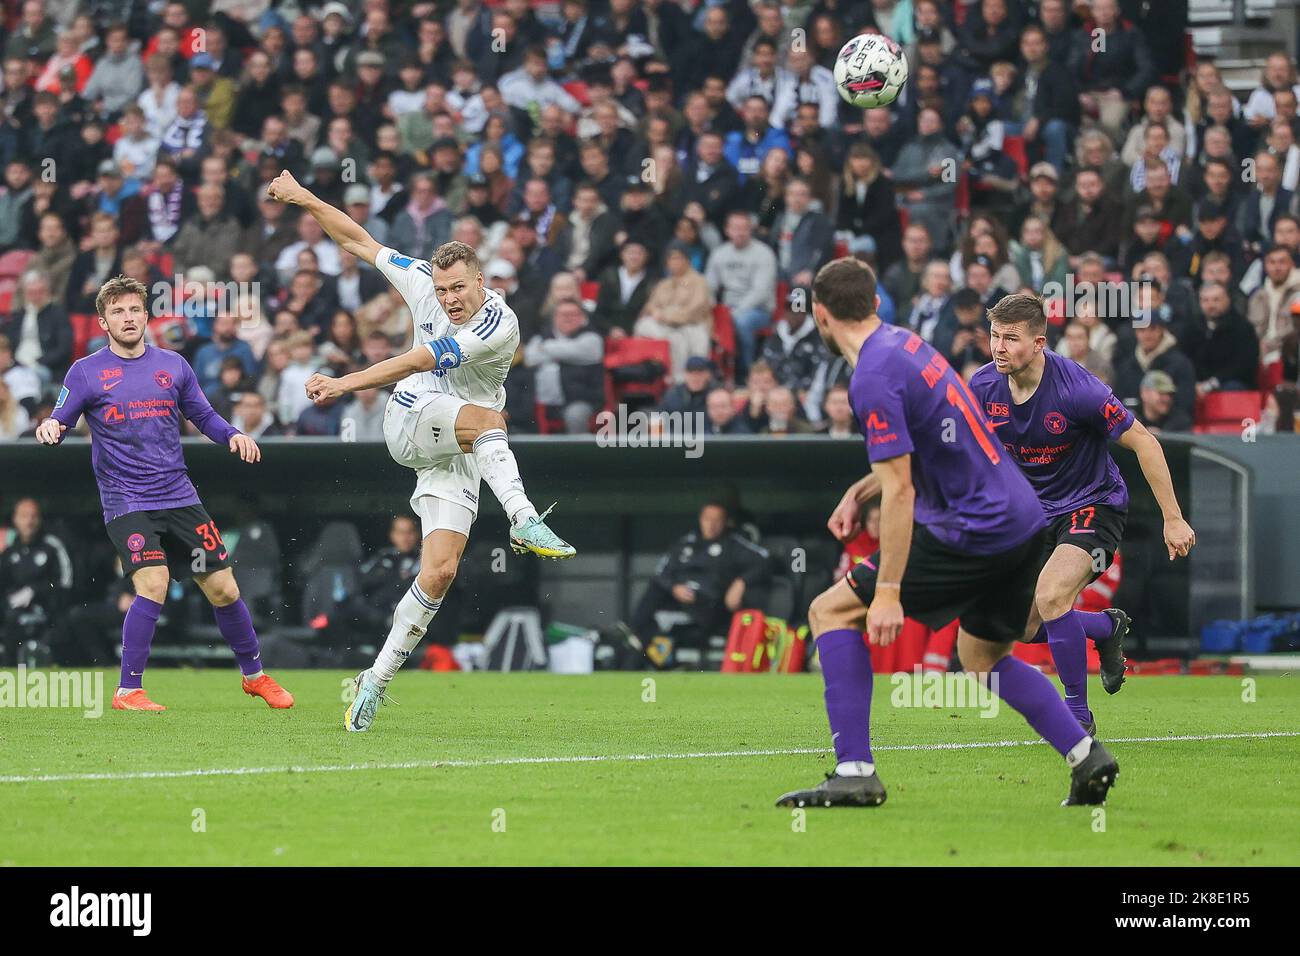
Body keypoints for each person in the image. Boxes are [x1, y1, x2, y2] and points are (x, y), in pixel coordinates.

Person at [777, 258, 1118, 810]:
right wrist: (861, 489)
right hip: (1024, 520)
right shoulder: (906, 345)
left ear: (819, 313)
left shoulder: (870, 375)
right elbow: (938, 444)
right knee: (981, 658)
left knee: (830, 611)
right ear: (877, 303)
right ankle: (1087, 757)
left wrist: (887, 593)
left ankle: (855, 771)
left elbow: (902, 492)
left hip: (972, 528)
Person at [266, 170, 575, 733]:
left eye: (459, 287)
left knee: (439, 571)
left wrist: (343, 381)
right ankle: (525, 520)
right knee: (490, 418)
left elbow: (416, 356)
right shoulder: (420, 281)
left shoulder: (498, 324)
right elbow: (358, 241)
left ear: (481, 280)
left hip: (461, 446)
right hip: (412, 416)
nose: (449, 298)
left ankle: (373, 682)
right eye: (442, 289)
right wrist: (304, 197)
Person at [35, 276, 293, 712]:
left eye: (134, 309)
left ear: (146, 315)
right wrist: (51, 427)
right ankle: (128, 690)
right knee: (153, 584)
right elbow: (60, 418)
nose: (128, 317)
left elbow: (203, 414)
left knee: (225, 590)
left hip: (179, 496)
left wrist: (232, 435)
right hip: (127, 501)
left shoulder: (173, 365)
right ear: (103, 322)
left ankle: (255, 677)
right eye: (118, 311)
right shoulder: (85, 371)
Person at [969, 293, 1196, 734]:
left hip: (1092, 506)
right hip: (1033, 517)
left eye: (1011, 338)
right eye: (995, 336)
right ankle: (1104, 628)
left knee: (1053, 596)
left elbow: (1145, 442)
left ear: (1039, 343)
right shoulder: (981, 387)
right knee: (1018, 624)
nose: (999, 346)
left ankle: (1077, 715)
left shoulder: (1079, 388)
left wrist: (1173, 517)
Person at [627, 501, 770, 669]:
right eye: (708, 519)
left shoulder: (733, 545)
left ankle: (655, 650)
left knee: (670, 634)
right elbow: (662, 573)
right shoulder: (686, 543)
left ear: (726, 522)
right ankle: (639, 635)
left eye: (717, 520)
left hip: (709, 607)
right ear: (701, 519)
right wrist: (674, 588)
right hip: (678, 602)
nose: (712, 524)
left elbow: (764, 559)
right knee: (655, 589)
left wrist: (741, 582)